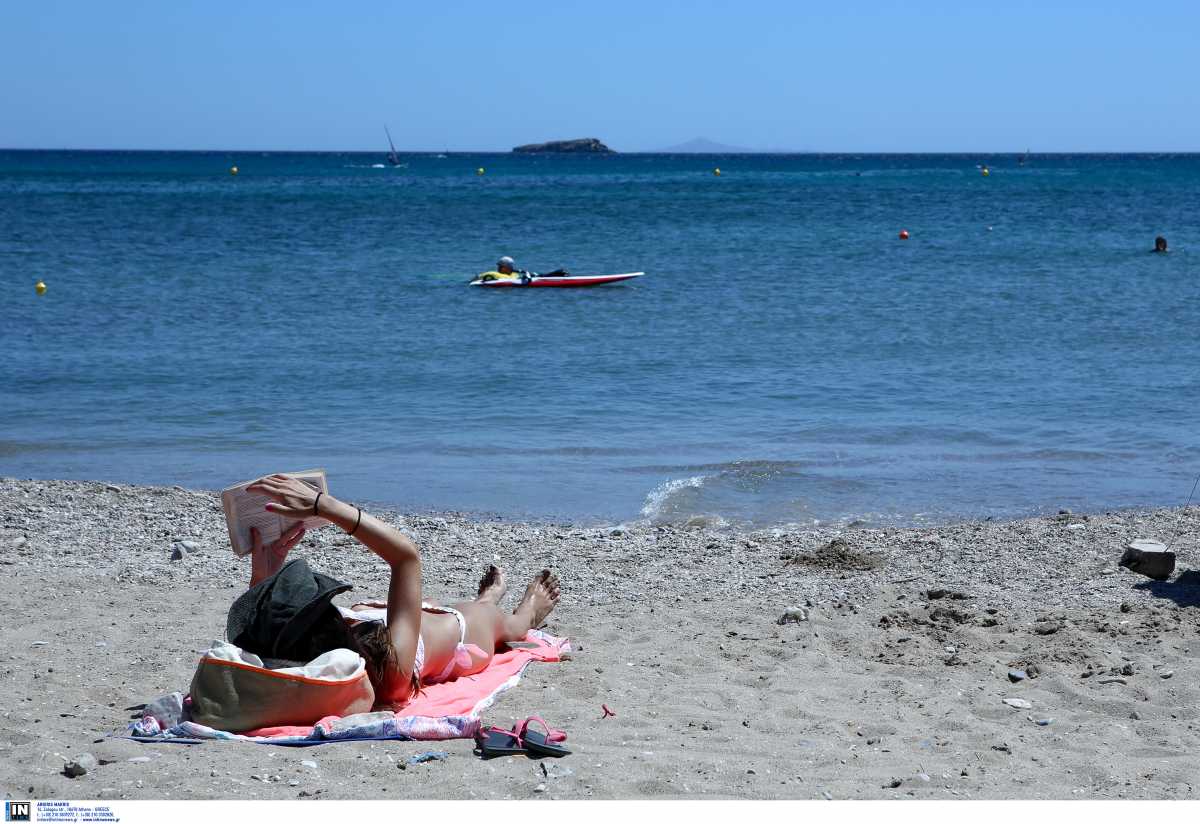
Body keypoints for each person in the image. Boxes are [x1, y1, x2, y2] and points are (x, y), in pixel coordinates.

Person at [242, 474, 561, 706]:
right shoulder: (388, 672)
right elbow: (407, 557)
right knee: (497, 620)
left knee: (422, 609)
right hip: (460, 634)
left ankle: (486, 598)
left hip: (382, 620)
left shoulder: (293, 652)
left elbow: (266, 630)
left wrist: (265, 573)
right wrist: (323, 506)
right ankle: (519, 606)